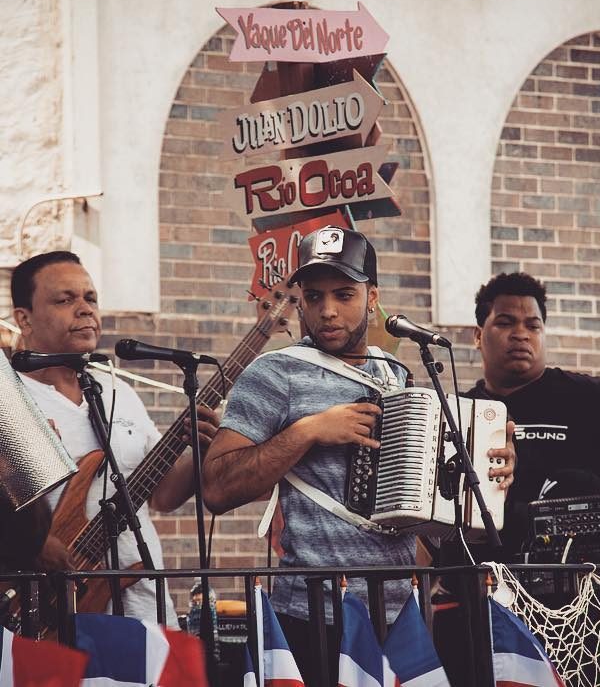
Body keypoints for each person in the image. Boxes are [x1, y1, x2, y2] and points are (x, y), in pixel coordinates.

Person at [202, 225, 515, 685]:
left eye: (344, 294)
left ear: (372, 298)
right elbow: (216, 488)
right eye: (314, 296)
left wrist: (490, 470)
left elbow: (428, 503)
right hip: (313, 613)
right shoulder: (274, 373)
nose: (327, 310)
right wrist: (308, 431)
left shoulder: (396, 375)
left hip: (399, 614)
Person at [10, 250, 219, 626]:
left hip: (144, 607)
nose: (85, 309)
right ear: (24, 318)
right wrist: (32, 543)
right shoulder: (8, 397)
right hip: (50, 615)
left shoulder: (116, 390)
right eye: (65, 300)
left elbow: (163, 496)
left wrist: (198, 449)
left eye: (90, 298)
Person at [464, 271, 600, 558]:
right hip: (481, 577)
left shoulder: (586, 397)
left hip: (581, 577)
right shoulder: (459, 412)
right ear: (478, 335)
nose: (521, 334)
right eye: (505, 323)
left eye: (533, 326)